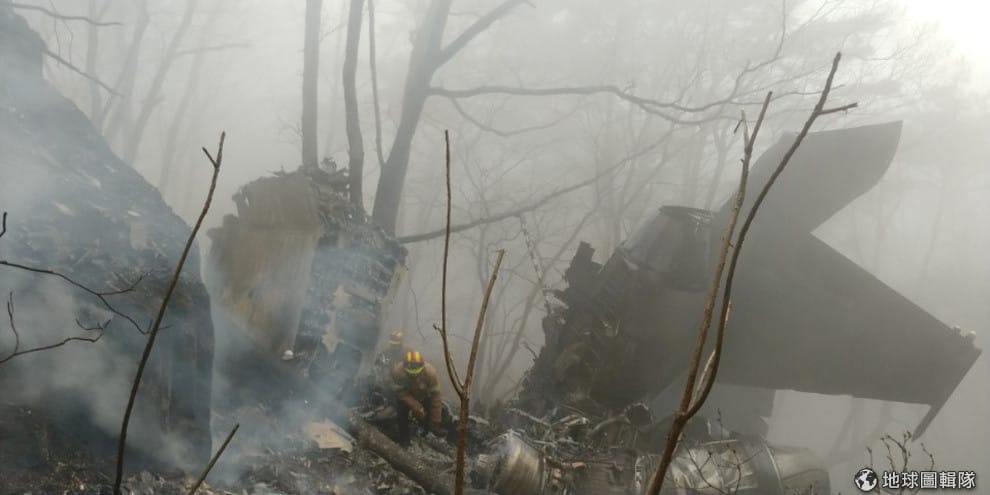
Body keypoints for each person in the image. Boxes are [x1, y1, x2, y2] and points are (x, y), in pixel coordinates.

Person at [391, 350, 443, 445]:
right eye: (410, 373)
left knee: (431, 414)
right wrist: (416, 407)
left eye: (416, 373)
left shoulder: (430, 373)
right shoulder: (398, 371)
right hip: (405, 398)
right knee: (401, 413)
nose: (413, 375)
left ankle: (428, 430)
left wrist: (435, 420)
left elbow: (435, 396)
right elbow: (400, 392)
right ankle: (404, 441)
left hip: (424, 396)